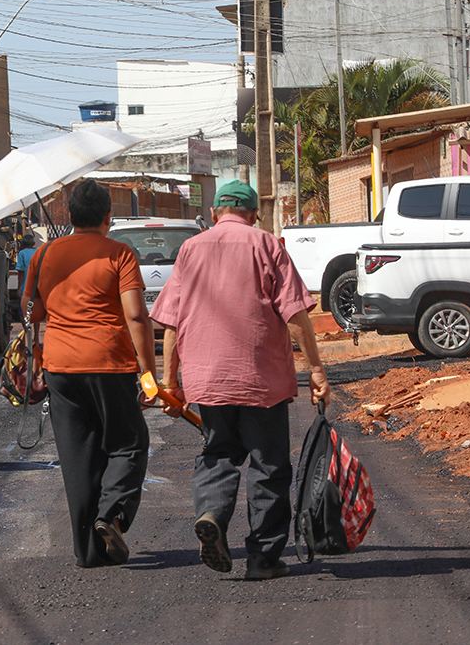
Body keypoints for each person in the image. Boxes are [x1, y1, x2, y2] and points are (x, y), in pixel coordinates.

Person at [149, 181, 331, 581]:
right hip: (260, 378)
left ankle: (212, 513)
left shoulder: (190, 249)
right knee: (268, 465)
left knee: (218, 452)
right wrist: (316, 369)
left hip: (208, 378)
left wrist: (169, 382)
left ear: (214, 213)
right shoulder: (267, 245)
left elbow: (172, 323)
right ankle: (263, 558)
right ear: (254, 215)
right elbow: (295, 314)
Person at [22, 180, 157, 568]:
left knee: (78, 457)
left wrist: (36, 354)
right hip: (110, 363)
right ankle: (111, 513)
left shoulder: (43, 255)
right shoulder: (120, 254)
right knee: (129, 443)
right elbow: (136, 316)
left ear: (69, 215)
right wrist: (149, 373)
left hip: (60, 366)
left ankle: (89, 552)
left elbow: (32, 312)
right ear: (107, 217)